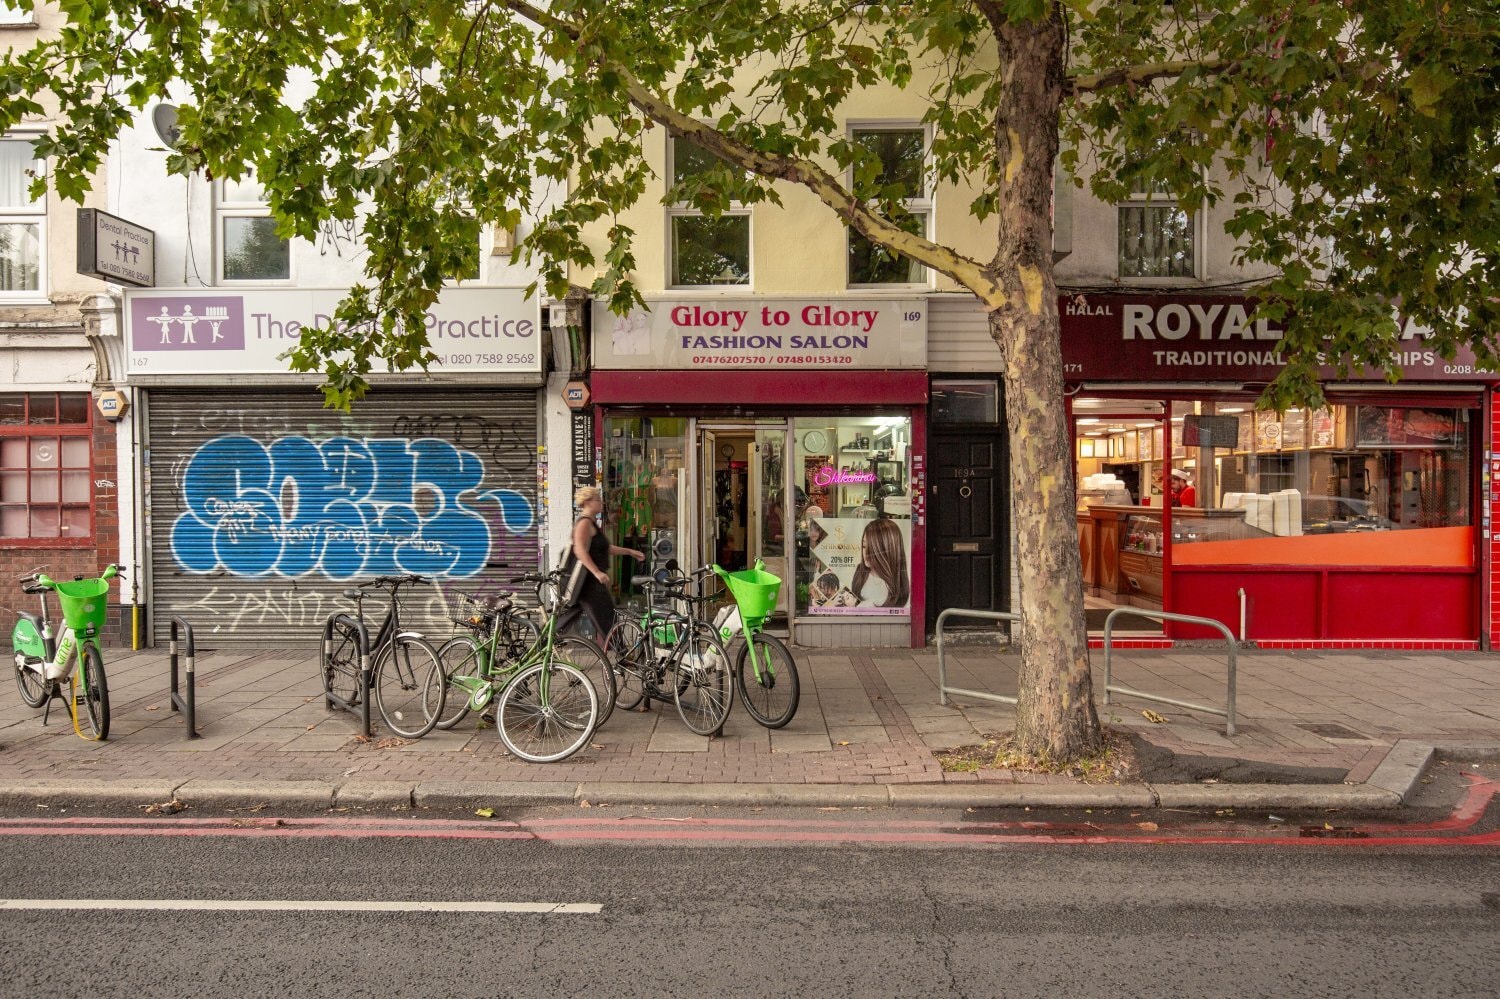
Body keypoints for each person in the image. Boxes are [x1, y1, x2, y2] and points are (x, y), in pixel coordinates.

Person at [567, 486, 644, 637]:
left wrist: (629, 552)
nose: (601, 502)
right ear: (588, 502)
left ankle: (544, 646)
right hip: (589, 583)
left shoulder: (591, 522)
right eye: (597, 499)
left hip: (590, 584)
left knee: (569, 618)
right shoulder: (584, 523)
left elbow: (605, 547)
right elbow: (579, 550)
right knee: (609, 620)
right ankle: (622, 656)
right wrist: (597, 573)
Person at [849, 517, 910, 609]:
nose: (866, 554)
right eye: (864, 546)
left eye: (873, 549)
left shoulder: (900, 583)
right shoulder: (859, 572)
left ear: (887, 550)